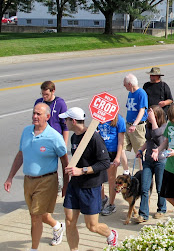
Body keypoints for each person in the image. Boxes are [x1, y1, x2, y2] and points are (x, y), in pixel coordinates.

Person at [4, 103, 69, 249]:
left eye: (38, 114)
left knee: (35, 216)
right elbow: (21, 154)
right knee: (41, 215)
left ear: (47, 117)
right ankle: (58, 226)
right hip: (28, 181)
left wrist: (66, 184)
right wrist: (10, 177)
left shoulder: (54, 137)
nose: (35, 116)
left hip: (47, 181)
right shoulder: (26, 131)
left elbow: (65, 161)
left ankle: (34, 248)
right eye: (34, 113)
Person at [61, 107, 118, 248]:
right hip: (75, 185)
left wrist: (81, 171)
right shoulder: (75, 136)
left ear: (73, 121)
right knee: (69, 221)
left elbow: (105, 162)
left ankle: (111, 234)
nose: (64, 122)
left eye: (66, 120)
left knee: (92, 225)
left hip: (90, 186)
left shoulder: (94, 137)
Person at [134, 105, 167, 223]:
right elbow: (148, 141)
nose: (148, 117)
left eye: (150, 114)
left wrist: (153, 121)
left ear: (157, 115)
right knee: (144, 186)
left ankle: (161, 209)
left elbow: (159, 137)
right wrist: (140, 150)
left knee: (160, 187)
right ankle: (143, 214)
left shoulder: (164, 126)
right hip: (148, 160)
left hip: (160, 160)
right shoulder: (148, 126)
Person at [98, 113, 126, 216]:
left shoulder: (119, 120)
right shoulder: (98, 118)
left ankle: (111, 203)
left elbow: (120, 141)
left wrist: (118, 157)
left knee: (111, 178)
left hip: (112, 152)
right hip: (100, 151)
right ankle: (102, 199)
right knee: (99, 178)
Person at [124, 74, 148, 173]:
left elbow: (142, 110)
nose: (124, 86)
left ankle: (143, 173)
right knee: (121, 146)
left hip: (137, 127)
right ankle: (126, 171)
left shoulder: (141, 93)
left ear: (130, 84)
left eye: (125, 84)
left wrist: (135, 124)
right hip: (128, 125)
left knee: (140, 151)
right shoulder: (130, 93)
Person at [34, 81, 69, 145]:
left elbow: (65, 126)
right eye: (42, 94)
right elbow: (35, 122)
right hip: (41, 139)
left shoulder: (60, 103)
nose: (44, 96)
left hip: (55, 140)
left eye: (46, 94)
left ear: (53, 91)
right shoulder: (39, 102)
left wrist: (64, 145)